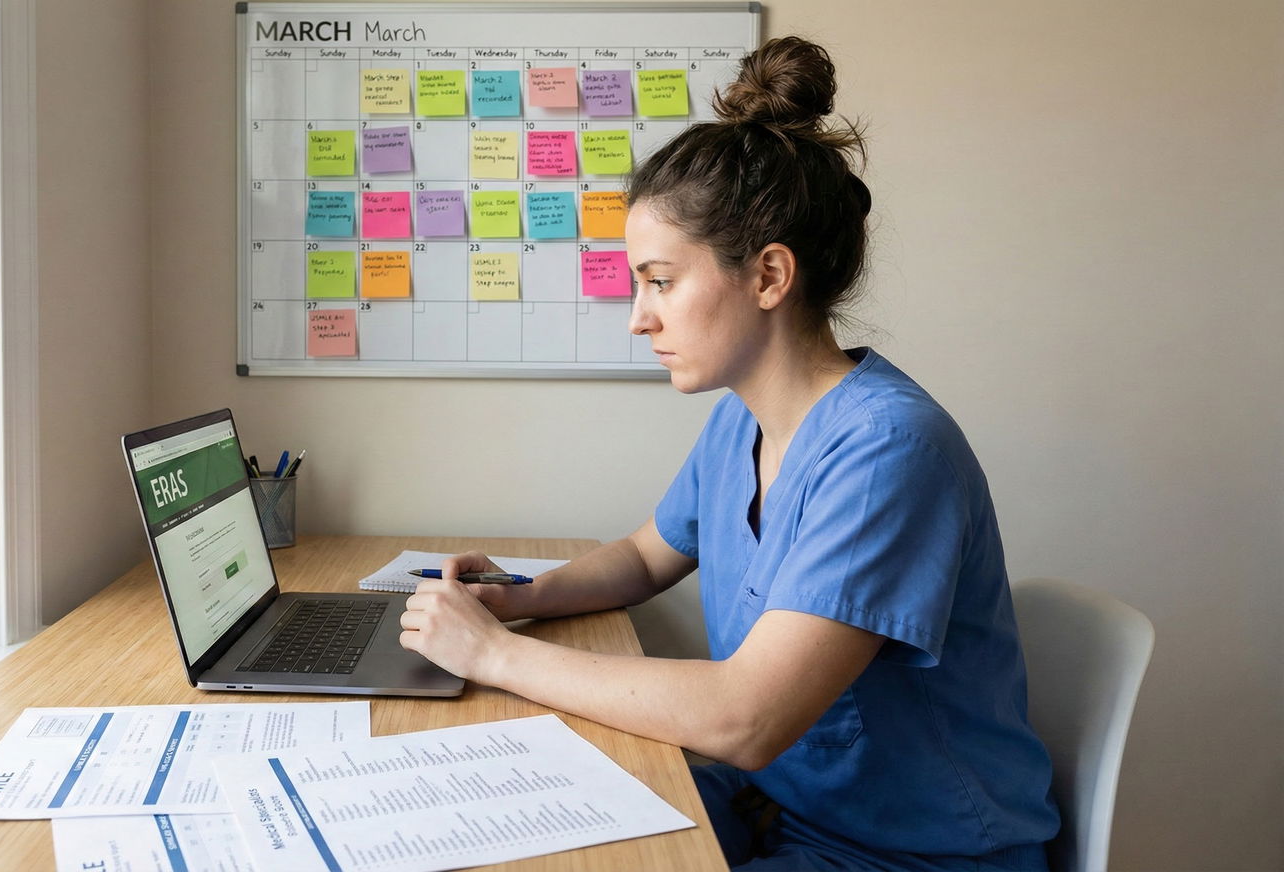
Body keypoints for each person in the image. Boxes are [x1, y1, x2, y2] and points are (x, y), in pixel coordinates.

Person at [396, 35, 1060, 871]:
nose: (639, 318)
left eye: (661, 282)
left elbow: (745, 718)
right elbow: (646, 557)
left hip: (908, 856)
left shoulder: (889, 452)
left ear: (770, 276)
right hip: (781, 813)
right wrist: (515, 600)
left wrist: (492, 656)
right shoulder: (743, 422)